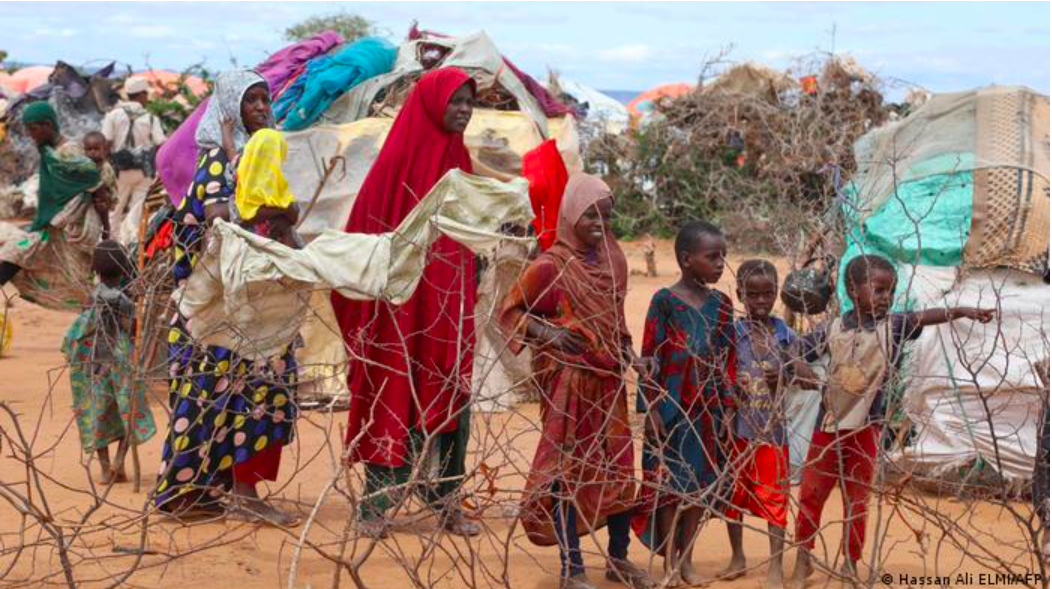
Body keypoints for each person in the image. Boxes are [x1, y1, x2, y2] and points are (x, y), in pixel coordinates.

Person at [330, 67, 482, 540]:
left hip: (448, 300)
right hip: (402, 303)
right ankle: (376, 505)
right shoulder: (400, 154)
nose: (464, 110)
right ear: (434, 103)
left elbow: (471, 223)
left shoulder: (460, 158)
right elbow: (366, 228)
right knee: (395, 391)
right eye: (455, 101)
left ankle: (446, 497)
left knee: (450, 391)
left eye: (469, 102)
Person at [789, 254, 996, 586]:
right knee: (811, 495)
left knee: (857, 500)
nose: (886, 297)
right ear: (853, 290)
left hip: (866, 430)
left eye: (891, 290)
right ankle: (803, 557)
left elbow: (926, 316)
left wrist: (961, 311)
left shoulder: (895, 326)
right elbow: (796, 352)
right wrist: (803, 373)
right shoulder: (831, 329)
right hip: (826, 428)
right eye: (879, 289)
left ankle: (850, 563)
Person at [155, 70, 299, 527]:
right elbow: (223, 222)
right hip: (217, 305)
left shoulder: (260, 157)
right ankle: (234, 493)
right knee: (225, 397)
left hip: (249, 300)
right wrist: (278, 210)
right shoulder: (219, 159)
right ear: (230, 107)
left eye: (264, 99)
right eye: (250, 100)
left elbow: (277, 219)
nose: (261, 107)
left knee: (252, 393)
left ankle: (212, 491)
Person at [501, 174, 653, 589]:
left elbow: (616, 323)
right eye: (590, 216)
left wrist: (634, 360)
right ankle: (572, 569)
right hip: (567, 384)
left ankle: (618, 558)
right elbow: (510, 313)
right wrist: (549, 334)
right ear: (571, 214)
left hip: (608, 384)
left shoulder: (614, 260)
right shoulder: (550, 266)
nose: (599, 226)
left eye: (605, 217)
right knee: (569, 470)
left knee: (619, 468)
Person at [631, 220, 735, 587]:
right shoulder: (664, 301)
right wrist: (650, 410)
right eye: (713, 257)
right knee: (667, 489)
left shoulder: (722, 305)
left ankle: (687, 561)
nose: (721, 263)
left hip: (707, 412)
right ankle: (670, 564)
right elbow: (649, 357)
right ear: (687, 259)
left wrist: (727, 409)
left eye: (723, 255)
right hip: (671, 411)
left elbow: (728, 361)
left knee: (697, 489)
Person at [722, 260, 815, 588]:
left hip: (773, 433)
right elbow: (721, 374)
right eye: (753, 294)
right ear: (740, 294)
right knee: (732, 497)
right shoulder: (734, 334)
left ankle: (776, 565)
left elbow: (807, 375)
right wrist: (730, 394)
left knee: (775, 499)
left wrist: (788, 372)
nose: (761, 301)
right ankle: (738, 556)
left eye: (768, 294)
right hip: (738, 431)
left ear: (777, 293)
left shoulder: (784, 334)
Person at [62, 240, 156, 484]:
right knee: (127, 408)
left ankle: (106, 468)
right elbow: (135, 330)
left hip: (94, 361)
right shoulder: (123, 301)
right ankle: (120, 462)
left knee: (99, 412)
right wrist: (137, 302)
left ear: (95, 270)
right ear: (125, 270)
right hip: (119, 357)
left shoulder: (90, 297)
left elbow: (82, 327)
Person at [0, 102, 109, 308]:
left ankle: (102, 325)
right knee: (14, 253)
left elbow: (94, 181)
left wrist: (106, 228)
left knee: (79, 284)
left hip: (73, 228)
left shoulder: (69, 151)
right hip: (52, 224)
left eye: (34, 129)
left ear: (48, 125)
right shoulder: (50, 151)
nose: (32, 135)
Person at [101, 76, 166, 243]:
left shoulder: (113, 115)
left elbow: (106, 143)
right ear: (141, 94)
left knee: (115, 210)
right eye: (146, 94)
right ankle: (131, 245)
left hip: (119, 171)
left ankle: (109, 244)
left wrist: (107, 166)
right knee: (136, 211)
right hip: (144, 171)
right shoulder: (151, 118)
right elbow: (160, 144)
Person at [233, 128, 300, 248]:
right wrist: (283, 209)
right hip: (249, 243)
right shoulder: (242, 176)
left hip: (280, 242)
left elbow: (293, 215)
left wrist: (285, 210)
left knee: (285, 229)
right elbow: (244, 215)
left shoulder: (276, 179)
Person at [82, 131, 117, 239]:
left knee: (101, 205)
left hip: (105, 196)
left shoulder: (105, 167)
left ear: (104, 149)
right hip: (91, 195)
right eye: (89, 149)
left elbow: (103, 186)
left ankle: (106, 227)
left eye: (96, 149)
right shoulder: (85, 164)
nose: (92, 152)